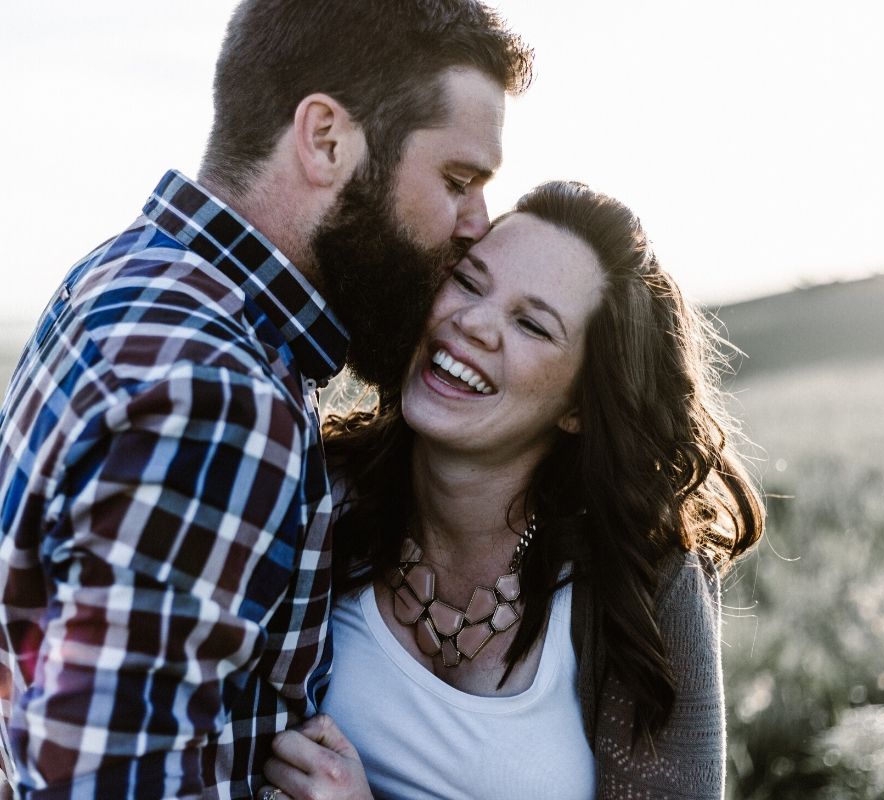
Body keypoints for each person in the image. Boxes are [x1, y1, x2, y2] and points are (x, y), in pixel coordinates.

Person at [0, 1, 532, 797]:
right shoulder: (219, 397)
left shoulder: (121, 278)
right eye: (457, 180)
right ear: (325, 139)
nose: (476, 221)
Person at [260, 181, 765, 800]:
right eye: (468, 282)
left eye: (531, 324)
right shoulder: (317, 493)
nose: (473, 323)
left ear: (580, 404)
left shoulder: (641, 581)